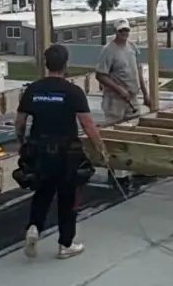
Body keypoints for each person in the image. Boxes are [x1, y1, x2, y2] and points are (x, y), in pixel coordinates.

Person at [16, 43, 108, 260]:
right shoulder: (72, 92)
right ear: (66, 65)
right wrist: (101, 149)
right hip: (66, 153)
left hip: (39, 150)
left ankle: (34, 228)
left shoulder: (33, 90)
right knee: (67, 197)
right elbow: (87, 124)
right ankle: (65, 244)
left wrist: (22, 142)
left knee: (43, 191)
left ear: (46, 64)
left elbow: (20, 122)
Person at [94, 19, 149, 123]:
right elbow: (100, 75)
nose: (124, 33)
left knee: (134, 127)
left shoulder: (132, 47)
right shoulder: (108, 50)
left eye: (126, 30)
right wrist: (119, 89)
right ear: (115, 31)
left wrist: (145, 94)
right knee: (114, 130)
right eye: (121, 30)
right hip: (115, 101)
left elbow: (138, 70)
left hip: (132, 98)